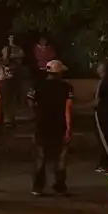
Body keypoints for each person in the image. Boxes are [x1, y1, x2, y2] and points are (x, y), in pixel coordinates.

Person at [28, 60, 74, 196]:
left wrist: (37, 111)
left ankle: (38, 187)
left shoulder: (37, 85)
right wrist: (69, 128)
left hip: (41, 124)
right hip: (59, 125)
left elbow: (30, 100)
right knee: (60, 157)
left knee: (40, 156)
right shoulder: (66, 87)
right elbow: (68, 108)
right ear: (59, 72)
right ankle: (59, 184)